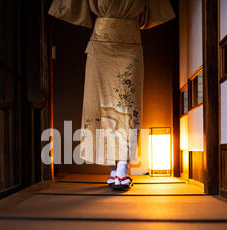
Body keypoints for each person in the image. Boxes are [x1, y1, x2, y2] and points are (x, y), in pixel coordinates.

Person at [49, 0, 175, 190]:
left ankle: (123, 164)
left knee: (127, 105)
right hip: (101, 45)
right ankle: (113, 167)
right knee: (100, 105)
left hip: (130, 45)